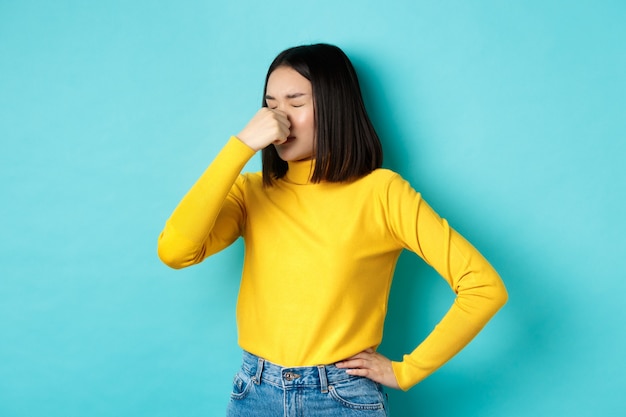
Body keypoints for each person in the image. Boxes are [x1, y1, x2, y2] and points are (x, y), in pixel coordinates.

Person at [157, 43, 508, 416]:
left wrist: (407, 370)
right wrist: (240, 147)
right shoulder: (250, 193)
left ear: (334, 106)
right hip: (255, 391)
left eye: (295, 102)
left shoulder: (381, 193)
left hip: (340, 398)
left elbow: (483, 287)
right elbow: (176, 251)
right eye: (271, 105)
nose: (279, 118)